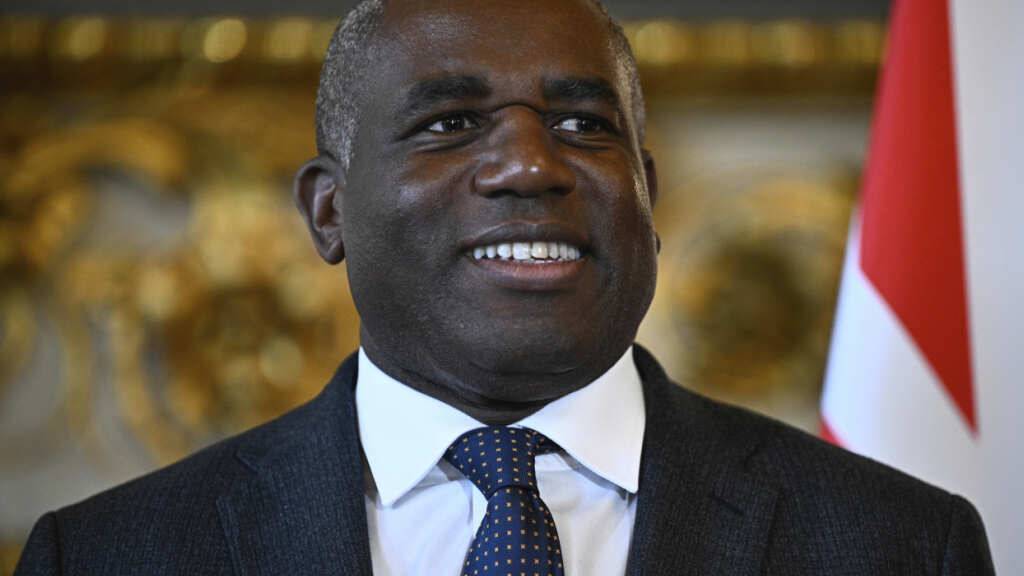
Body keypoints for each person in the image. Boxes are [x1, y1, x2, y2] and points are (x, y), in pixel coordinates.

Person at [16, 0, 995, 574]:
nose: (530, 165)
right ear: (329, 212)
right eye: (449, 124)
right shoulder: (109, 557)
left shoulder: (901, 547)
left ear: (647, 197)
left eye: (582, 126)